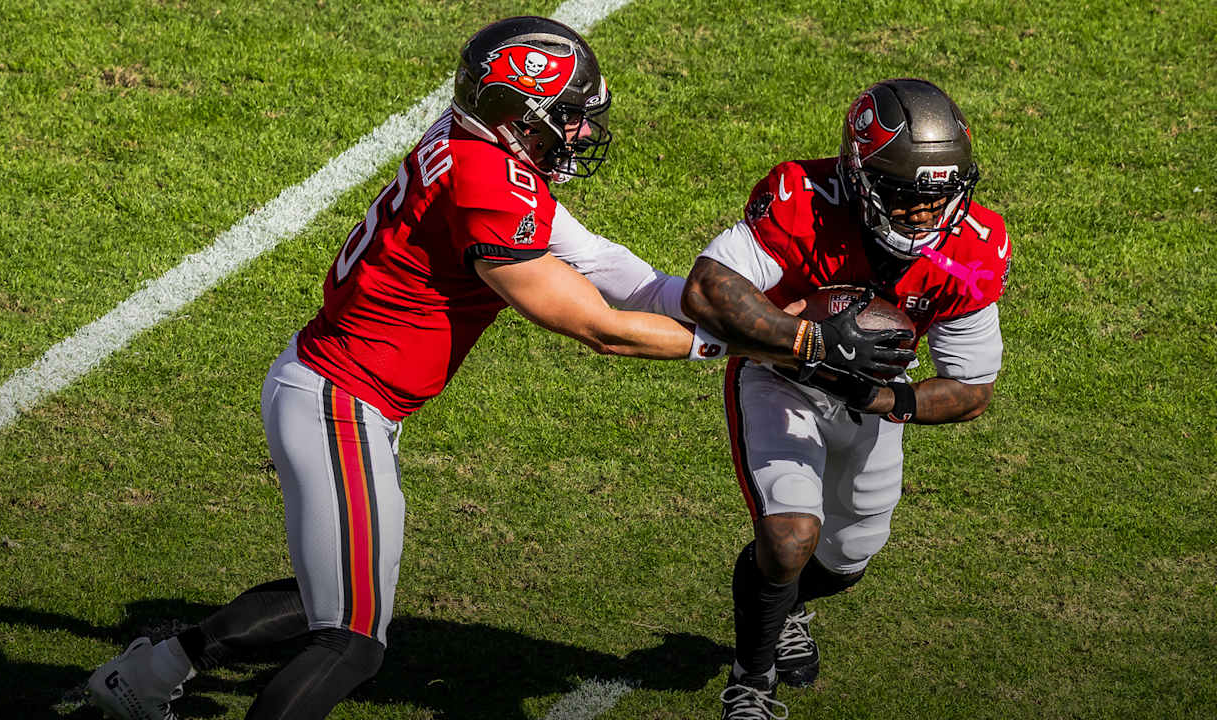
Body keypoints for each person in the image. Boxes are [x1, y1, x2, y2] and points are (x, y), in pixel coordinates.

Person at [83, 16, 840, 720]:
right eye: (567, 115)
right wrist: (758, 345)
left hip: (346, 394)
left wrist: (739, 311)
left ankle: (146, 675)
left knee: (337, 600)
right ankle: (151, 677)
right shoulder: (486, 183)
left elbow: (603, 264)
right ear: (516, 114)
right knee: (351, 643)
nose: (581, 130)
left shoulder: (479, 147)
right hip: (339, 403)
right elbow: (596, 326)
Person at [681, 78, 1011, 720]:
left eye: (938, 197)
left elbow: (971, 389)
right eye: (904, 196)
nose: (924, 215)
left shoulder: (972, 246)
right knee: (789, 538)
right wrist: (810, 341)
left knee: (846, 560)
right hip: (780, 379)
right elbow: (708, 289)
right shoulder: (805, 198)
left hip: (872, 403)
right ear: (858, 175)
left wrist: (881, 395)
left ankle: (788, 605)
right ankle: (752, 680)